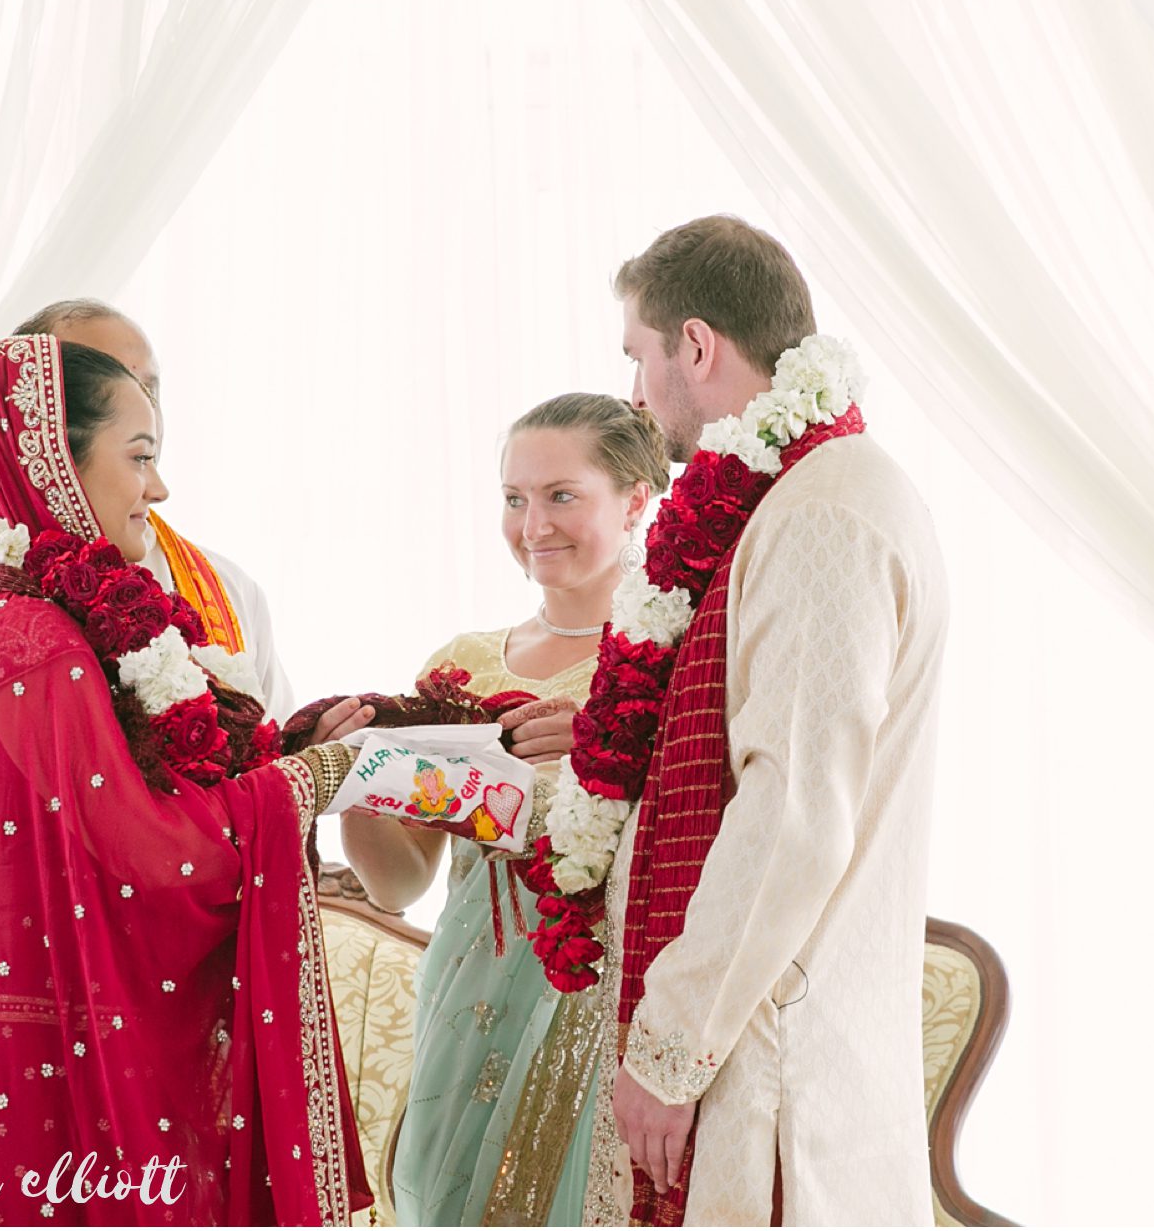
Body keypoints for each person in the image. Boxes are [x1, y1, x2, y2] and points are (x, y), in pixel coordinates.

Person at [0, 335, 370, 1225]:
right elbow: (152, 856)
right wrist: (304, 783)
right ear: (55, 464)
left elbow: (141, 795)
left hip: (32, 1056)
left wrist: (282, 750)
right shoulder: (33, 640)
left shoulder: (20, 617)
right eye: (140, 457)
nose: (158, 488)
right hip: (54, 1088)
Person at [561, 216, 948, 1225]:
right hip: (765, 1048)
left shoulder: (821, 511)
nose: (634, 396)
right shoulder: (793, 495)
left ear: (695, 346)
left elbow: (791, 812)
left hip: (775, 1073)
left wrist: (665, 1051)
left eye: (637, 361)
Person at [0, 299, 373, 850]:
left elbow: (254, 779)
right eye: (97, 382)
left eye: (148, 388)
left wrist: (306, 759)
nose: (132, 401)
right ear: (42, 422)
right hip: (43, 921)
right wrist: (123, 784)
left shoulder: (226, 587)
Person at [342, 395, 670, 1226]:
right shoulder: (462, 664)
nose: (532, 524)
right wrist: (357, 776)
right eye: (514, 497)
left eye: (562, 495)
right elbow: (398, 881)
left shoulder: (677, 658)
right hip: (466, 995)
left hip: (606, 1003)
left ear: (635, 499)